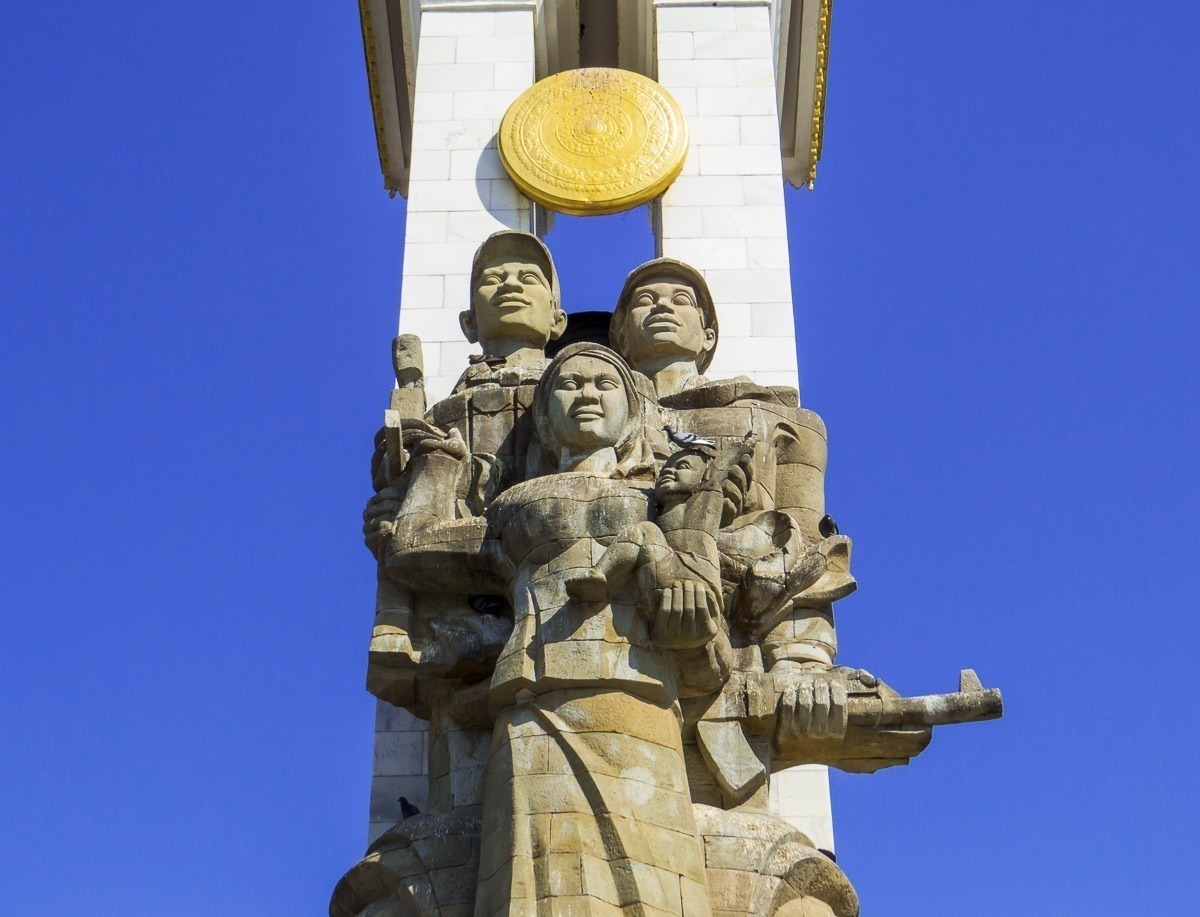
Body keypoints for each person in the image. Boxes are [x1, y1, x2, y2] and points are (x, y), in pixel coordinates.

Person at [385, 344, 738, 914]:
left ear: (633, 415)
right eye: (569, 385)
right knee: (538, 885)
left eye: (604, 384)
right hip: (534, 698)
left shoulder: (663, 501)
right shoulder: (515, 503)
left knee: (657, 886)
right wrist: (439, 463)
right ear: (544, 420)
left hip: (639, 694)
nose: (588, 394)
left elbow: (702, 610)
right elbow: (413, 546)